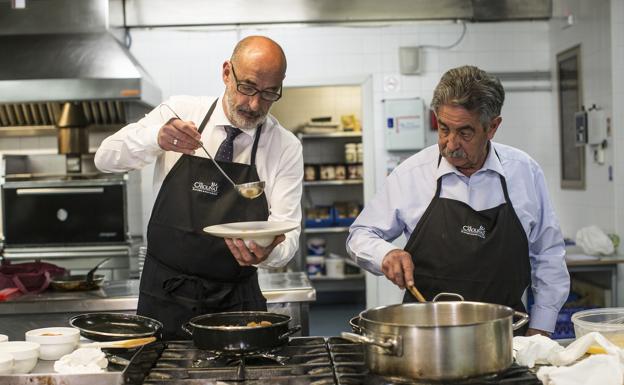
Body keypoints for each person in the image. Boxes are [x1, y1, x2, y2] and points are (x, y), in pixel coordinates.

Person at [95, 36, 303, 339]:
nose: (255, 104)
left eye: (270, 93)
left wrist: (267, 253)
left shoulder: (284, 146)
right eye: (247, 87)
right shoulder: (181, 112)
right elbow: (105, 158)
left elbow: (288, 232)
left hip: (236, 302)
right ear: (226, 73)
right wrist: (156, 138)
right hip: (164, 294)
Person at [346, 65, 569, 336]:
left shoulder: (524, 172)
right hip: (426, 338)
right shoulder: (412, 174)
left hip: (507, 335)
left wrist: (541, 327)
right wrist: (386, 253)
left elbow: (548, 253)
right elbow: (359, 235)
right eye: (443, 129)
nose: (450, 144)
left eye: (465, 133)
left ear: (493, 127)